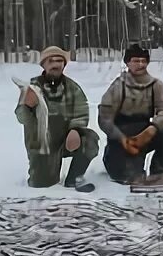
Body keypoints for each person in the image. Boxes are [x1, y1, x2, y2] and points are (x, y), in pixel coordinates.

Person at [97, 44, 163, 184]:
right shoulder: (118, 86)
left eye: (143, 61)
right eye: (136, 61)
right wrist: (121, 139)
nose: (140, 64)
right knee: (128, 176)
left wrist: (153, 129)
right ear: (127, 63)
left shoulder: (155, 85)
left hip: (145, 132)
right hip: (122, 136)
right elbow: (104, 118)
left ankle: (161, 167)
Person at [14, 46, 100, 192]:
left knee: (90, 141)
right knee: (41, 185)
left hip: (66, 140)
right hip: (42, 143)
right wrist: (27, 106)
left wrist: (75, 130)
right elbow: (22, 118)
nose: (56, 64)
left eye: (60, 61)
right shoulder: (32, 88)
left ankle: (74, 179)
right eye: (51, 61)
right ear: (44, 64)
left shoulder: (73, 87)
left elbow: (82, 112)